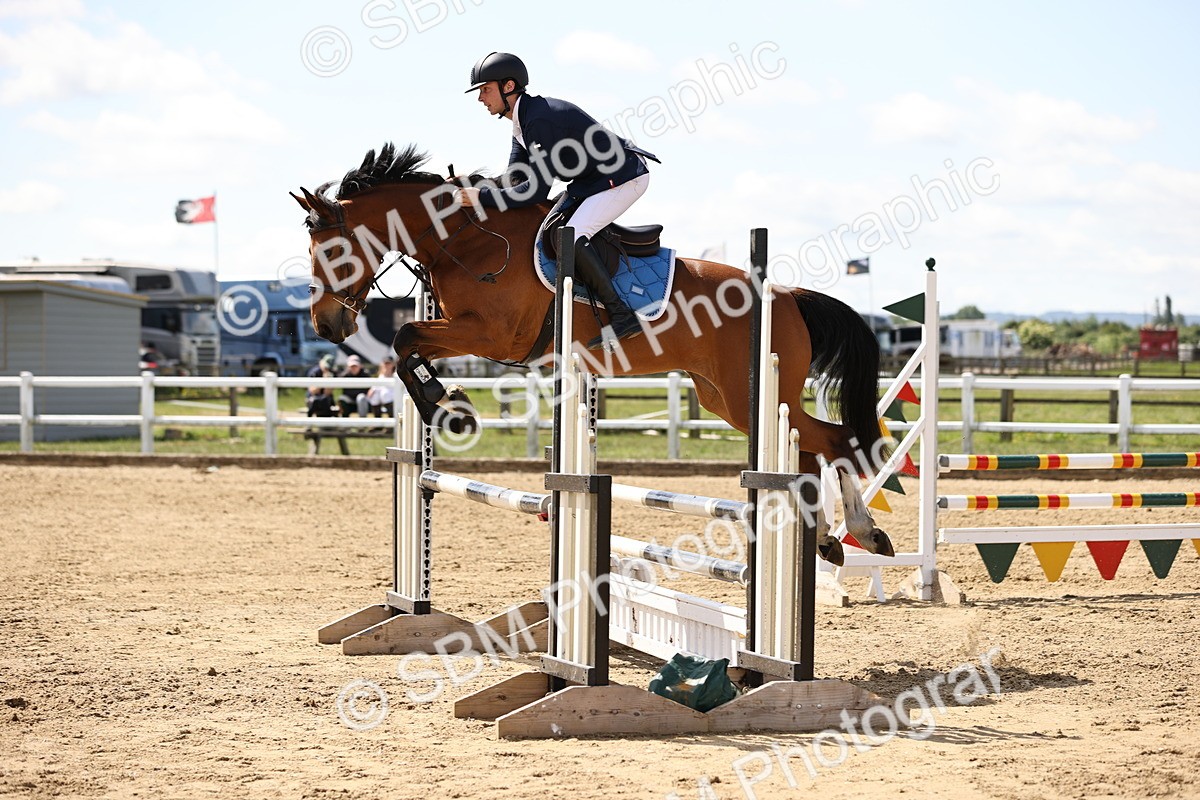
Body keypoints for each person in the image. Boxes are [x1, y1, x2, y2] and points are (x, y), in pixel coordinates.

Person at [455, 51, 659, 350]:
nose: (480, 98)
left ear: (508, 86)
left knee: (571, 237)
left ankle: (622, 315)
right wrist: (475, 186)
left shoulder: (539, 119)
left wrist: (481, 197)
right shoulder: (522, 121)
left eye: (485, 89)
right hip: (592, 182)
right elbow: (515, 179)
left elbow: (535, 191)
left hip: (623, 177)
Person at [306, 353, 336, 417]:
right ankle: (309, 424)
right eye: (326, 367)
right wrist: (323, 381)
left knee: (326, 400)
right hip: (313, 398)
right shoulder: (314, 372)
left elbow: (328, 393)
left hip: (326, 400)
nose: (326, 369)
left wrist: (327, 382)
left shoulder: (332, 373)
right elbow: (313, 391)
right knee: (315, 400)